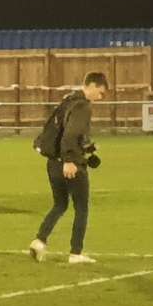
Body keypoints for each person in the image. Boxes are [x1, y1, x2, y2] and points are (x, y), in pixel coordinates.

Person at [29, 72, 108, 264]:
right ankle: (76, 252)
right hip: (69, 164)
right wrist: (70, 160)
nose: (100, 97)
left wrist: (88, 149)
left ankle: (39, 241)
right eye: (100, 92)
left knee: (60, 204)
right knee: (81, 208)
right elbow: (71, 135)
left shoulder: (68, 101)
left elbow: (65, 132)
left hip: (53, 163)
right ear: (90, 85)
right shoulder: (82, 106)